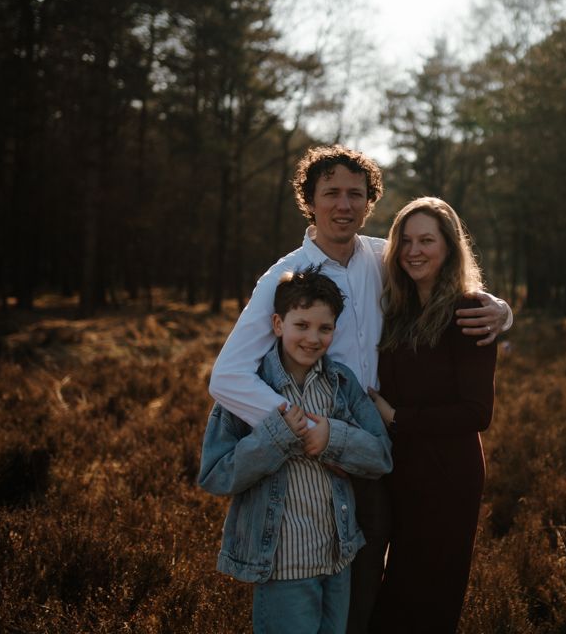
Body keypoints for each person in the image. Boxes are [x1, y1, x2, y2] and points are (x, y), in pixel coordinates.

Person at [208, 144, 512, 634]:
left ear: (370, 202)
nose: (344, 205)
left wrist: (500, 308)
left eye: (356, 193)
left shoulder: (381, 255)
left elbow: (443, 267)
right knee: (315, 584)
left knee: (375, 589)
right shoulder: (284, 275)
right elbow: (226, 377)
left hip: (381, 451)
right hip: (318, 455)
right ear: (310, 200)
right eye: (331, 193)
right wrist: (302, 426)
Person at [197, 267, 392, 634]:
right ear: (277, 323)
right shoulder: (248, 389)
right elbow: (216, 474)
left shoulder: (342, 383)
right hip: (282, 565)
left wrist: (332, 437)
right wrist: (276, 437)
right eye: (301, 325)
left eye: (325, 328)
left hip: (337, 560)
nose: (312, 338)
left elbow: (381, 455)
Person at [366, 197, 497, 634]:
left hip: (447, 476)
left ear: (449, 248)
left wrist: (398, 416)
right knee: (395, 587)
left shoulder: (470, 311)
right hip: (398, 471)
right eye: (405, 241)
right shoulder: (397, 311)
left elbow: (477, 413)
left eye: (427, 240)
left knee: (429, 594)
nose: (414, 250)